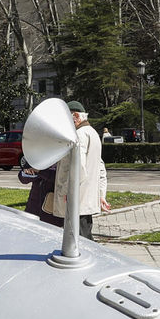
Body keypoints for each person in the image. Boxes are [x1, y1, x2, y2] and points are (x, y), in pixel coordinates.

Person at [50, 100, 110, 240]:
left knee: (79, 242)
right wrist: (101, 194)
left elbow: (78, 166)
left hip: (77, 200)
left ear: (76, 116)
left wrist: (69, 191)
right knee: (85, 236)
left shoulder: (79, 135)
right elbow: (100, 167)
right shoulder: (93, 133)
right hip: (86, 200)